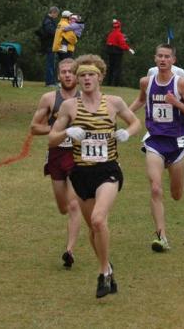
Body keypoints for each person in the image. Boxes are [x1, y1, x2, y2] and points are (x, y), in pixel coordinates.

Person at [48, 54, 140, 298]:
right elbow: (51, 137)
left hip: (108, 170)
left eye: (91, 75)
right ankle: (108, 266)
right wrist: (67, 131)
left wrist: (127, 134)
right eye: (82, 75)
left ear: (100, 77)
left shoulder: (114, 102)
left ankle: (102, 273)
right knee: (93, 228)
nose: (86, 79)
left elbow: (135, 122)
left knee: (99, 219)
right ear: (77, 80)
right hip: (81, 173)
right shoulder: (69, 107)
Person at [131, 44, 184, 252]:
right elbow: (141, 100)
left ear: (173, 61)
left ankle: (183, 170)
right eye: (159, 56)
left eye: (167, 57)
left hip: (177, 142)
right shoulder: (146, 82)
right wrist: (124, 113)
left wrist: (175, 103)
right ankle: (161, 236)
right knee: (155, 187)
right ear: (155, 58)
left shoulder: (181, 84)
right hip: (155, 140)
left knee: (176, 195)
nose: (163, 59)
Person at [29, 58, 82, 268]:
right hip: (56, 154)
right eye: (64, 72)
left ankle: (69, 250)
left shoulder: (85, 98)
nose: (67, 75)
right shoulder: (49, 98)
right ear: (58, 75)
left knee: (74, 204)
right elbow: (34, 127)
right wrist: (58, 131)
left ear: (77, 76)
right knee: (63, 207)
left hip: (78, 155)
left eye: (71, 72)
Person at [104, 19, 135, 87]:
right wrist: (129, 49)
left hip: (110, 51)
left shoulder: (110, 34)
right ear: (120, 27)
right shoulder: (119, 34)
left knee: (111, 68)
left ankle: (109, 83)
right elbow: (122, 45)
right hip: (117, 52)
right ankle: (116, 84)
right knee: (117, 68)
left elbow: (108, 43)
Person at [39, 6, 60, 87]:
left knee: (52, 64)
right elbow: (51, 32)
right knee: (50, 64)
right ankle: (49, 83)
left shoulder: (49, 20)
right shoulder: (48, 21)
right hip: (49, 45)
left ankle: (52, 81)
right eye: (56, 14)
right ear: (53, 12)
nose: (57, 16)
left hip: (51, 44)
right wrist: (58, 31)